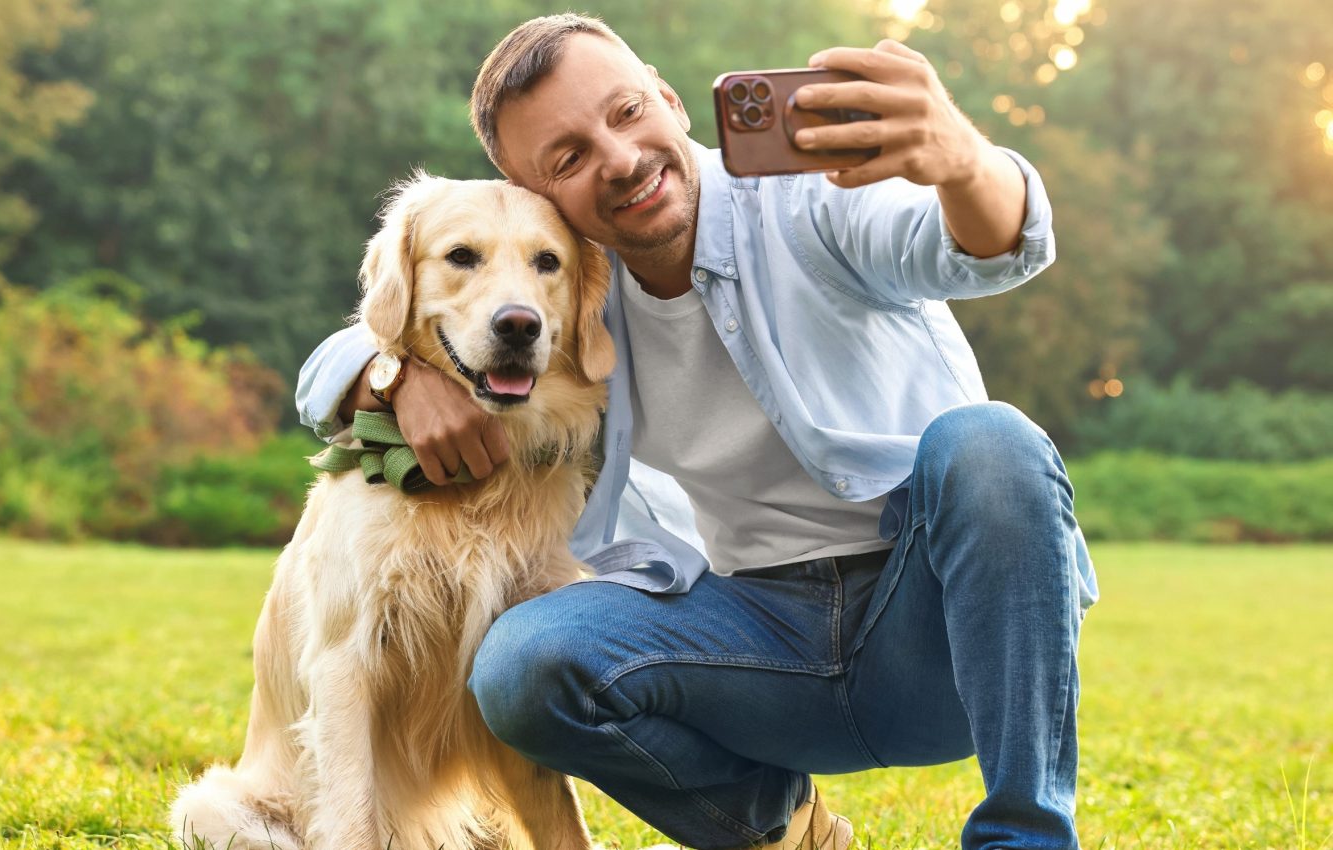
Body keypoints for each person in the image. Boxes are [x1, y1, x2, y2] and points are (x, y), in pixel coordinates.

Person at [296, 13, 1099, 850]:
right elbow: (368, 335)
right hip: (759, 648)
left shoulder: (813, 195)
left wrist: (963, 160)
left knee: (988, 443)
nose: (618, 159)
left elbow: (994, 248)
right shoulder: (575, 294)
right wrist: (392, 373)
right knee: (524, 663)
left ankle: (1026, 840)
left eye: (626, 111)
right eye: (568, 158)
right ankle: (785, 830)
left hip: (945, 639)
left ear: (669, 97)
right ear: (543, 197)